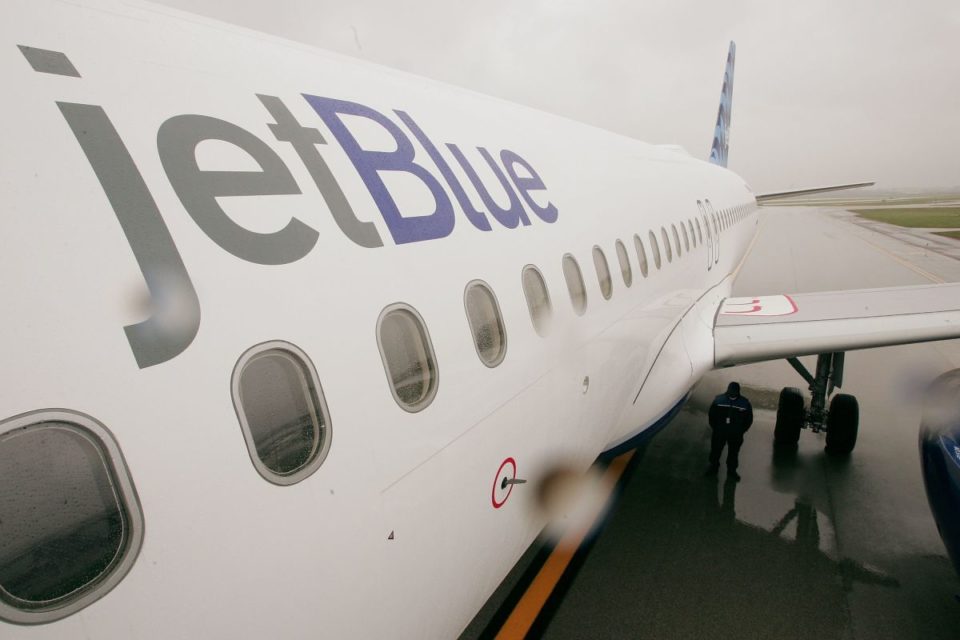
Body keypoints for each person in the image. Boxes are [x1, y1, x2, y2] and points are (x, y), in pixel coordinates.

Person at [706, 381, 753, 481]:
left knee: (733, 453)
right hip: (720, 433)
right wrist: (716, 428)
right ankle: (713, 467)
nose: (732, 394)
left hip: (735, 435)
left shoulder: (745, 403)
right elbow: (712, 415)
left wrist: (741, 431)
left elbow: (749, 419)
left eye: (734, 392)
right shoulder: (718, 400)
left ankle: (731, 471)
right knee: (715, 451)